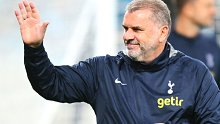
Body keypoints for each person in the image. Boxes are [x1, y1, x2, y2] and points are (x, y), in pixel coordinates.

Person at [15, 0, 220, 123]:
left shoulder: (195, 73)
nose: (127, 36)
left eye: (137, 29)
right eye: (125, 28)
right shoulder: (102, 70)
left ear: (162, 33)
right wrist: (34, 49)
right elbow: (51, 84)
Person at [168, 0, 220, 88]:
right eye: (207, 6)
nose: (213, 11)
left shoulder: (211, 45)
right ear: (188, 9)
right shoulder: (162, 45)